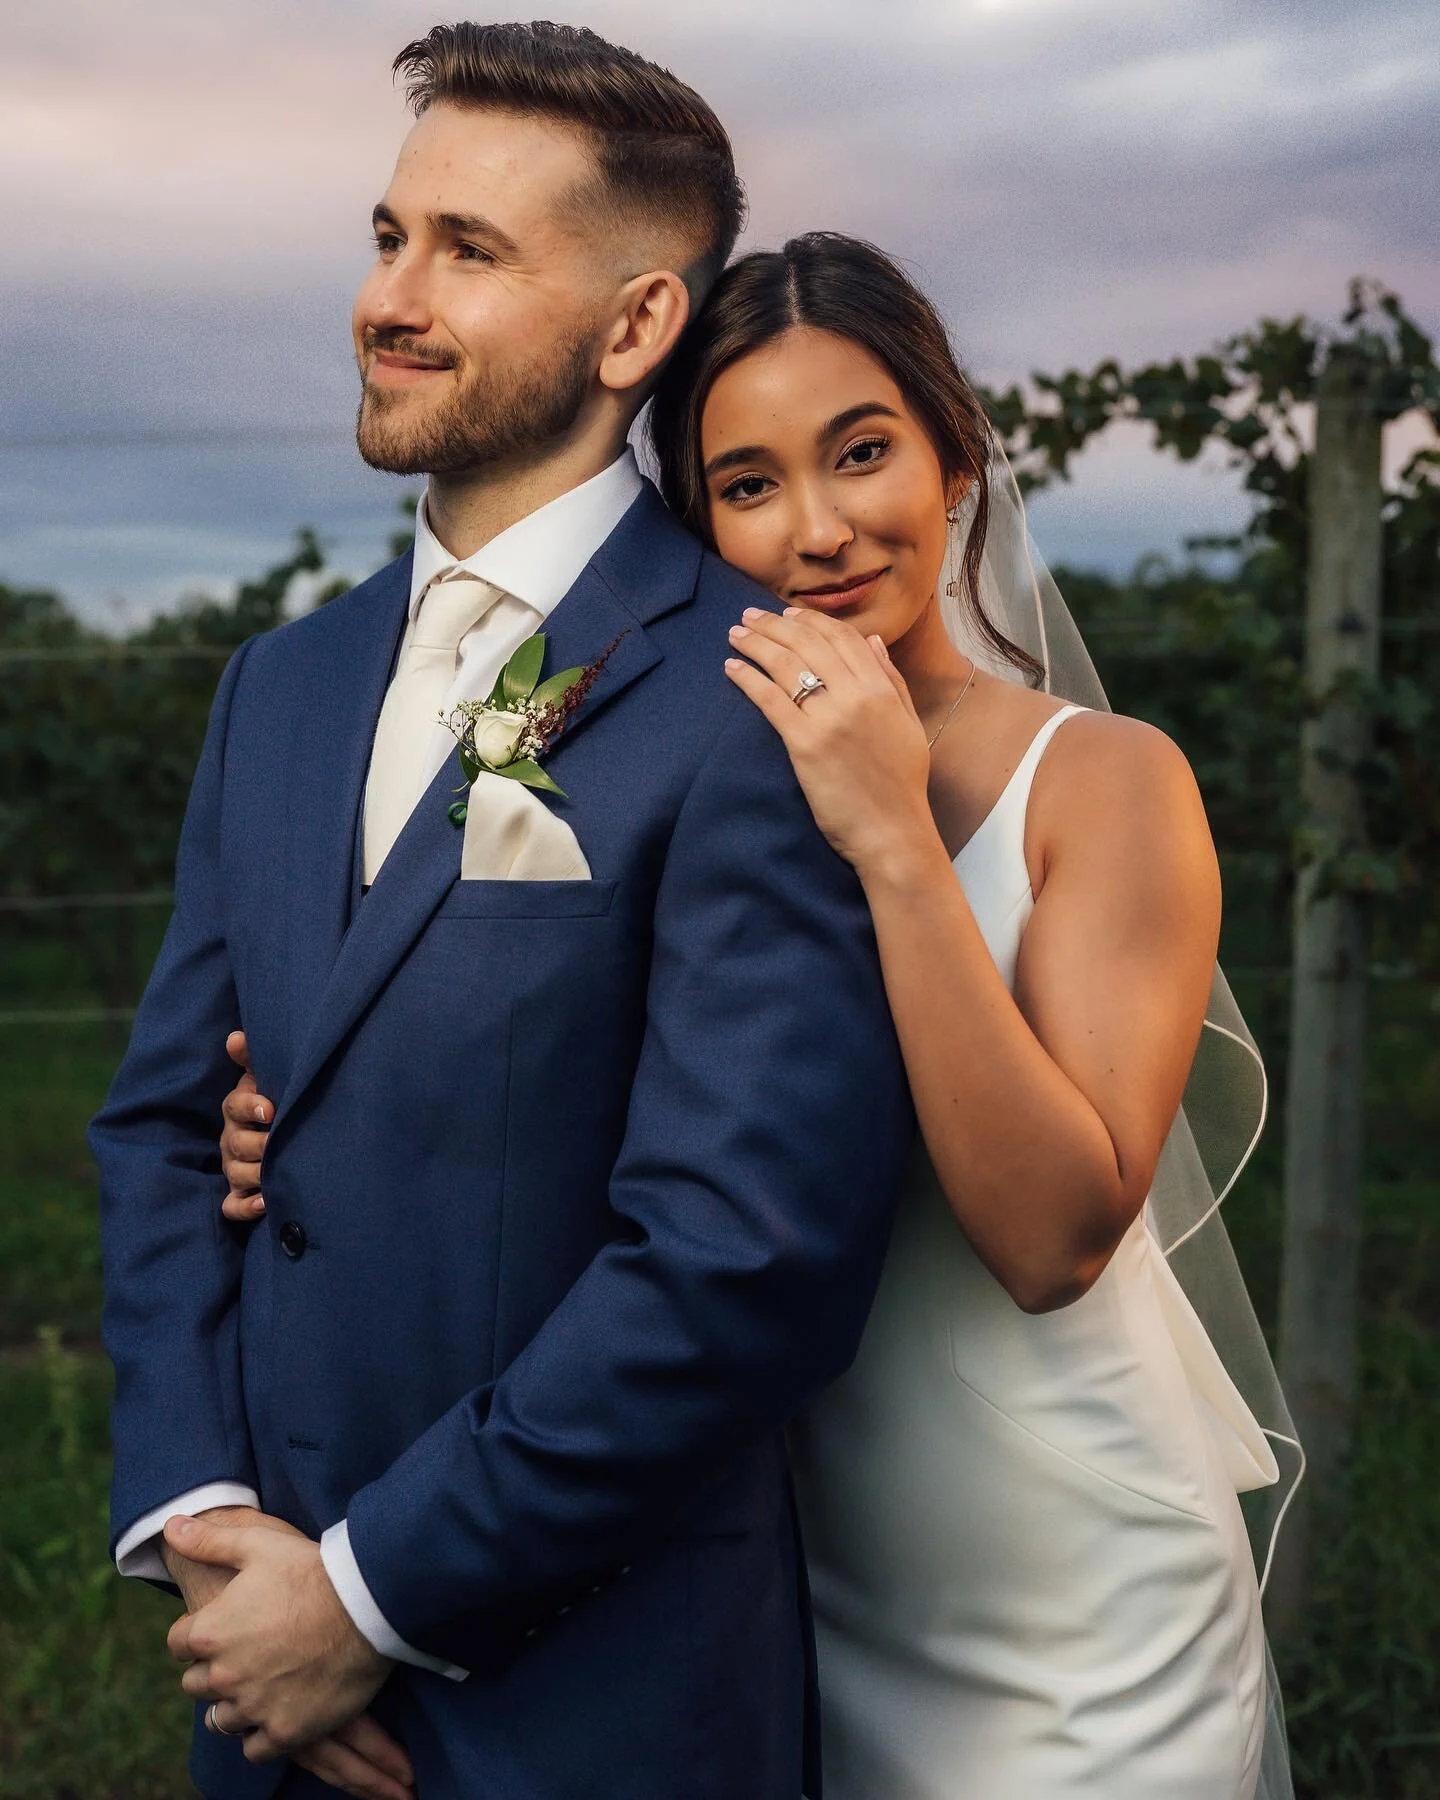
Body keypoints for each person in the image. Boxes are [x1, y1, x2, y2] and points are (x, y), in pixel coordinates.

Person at [223, 234, 1297, 1800]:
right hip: (769, 1573)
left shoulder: (1110, 783)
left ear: (957, 451)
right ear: (692, 518)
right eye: (746, 482)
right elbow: (447, 986)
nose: (820, 529)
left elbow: (1054, 1233)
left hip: (1072, 1596)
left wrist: (892, 838)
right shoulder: (610, 727)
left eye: (863, 452)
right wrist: (297, 1116)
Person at [91, 28, 913, 1800]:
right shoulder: (278, 689)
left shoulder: (751, 695)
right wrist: (212, 1525)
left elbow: (742, 1261)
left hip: (587, 1704)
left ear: (634, 329)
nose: (391, 295)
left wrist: (370, 1599)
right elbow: (165, 1124)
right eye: (389, 237)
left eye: (469, 252)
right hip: (261, 1690)